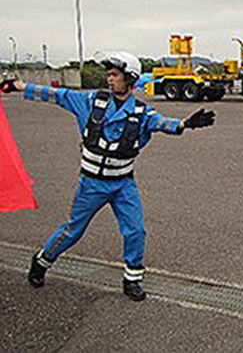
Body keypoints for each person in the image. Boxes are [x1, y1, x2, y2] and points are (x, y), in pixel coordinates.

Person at [1, 51, 215, 301]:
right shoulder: (90, 101)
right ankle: (42, 260)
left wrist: (185, 124)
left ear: (130, 79)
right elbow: (55, 95)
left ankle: (132, 279)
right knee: (73, 231)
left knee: (135, 230)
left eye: (115, 75)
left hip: (123, 184)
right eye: (109, 74)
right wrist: (17, 86)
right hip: (91, 184)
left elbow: (160, 122)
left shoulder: (142, 112)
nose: (109, 79)